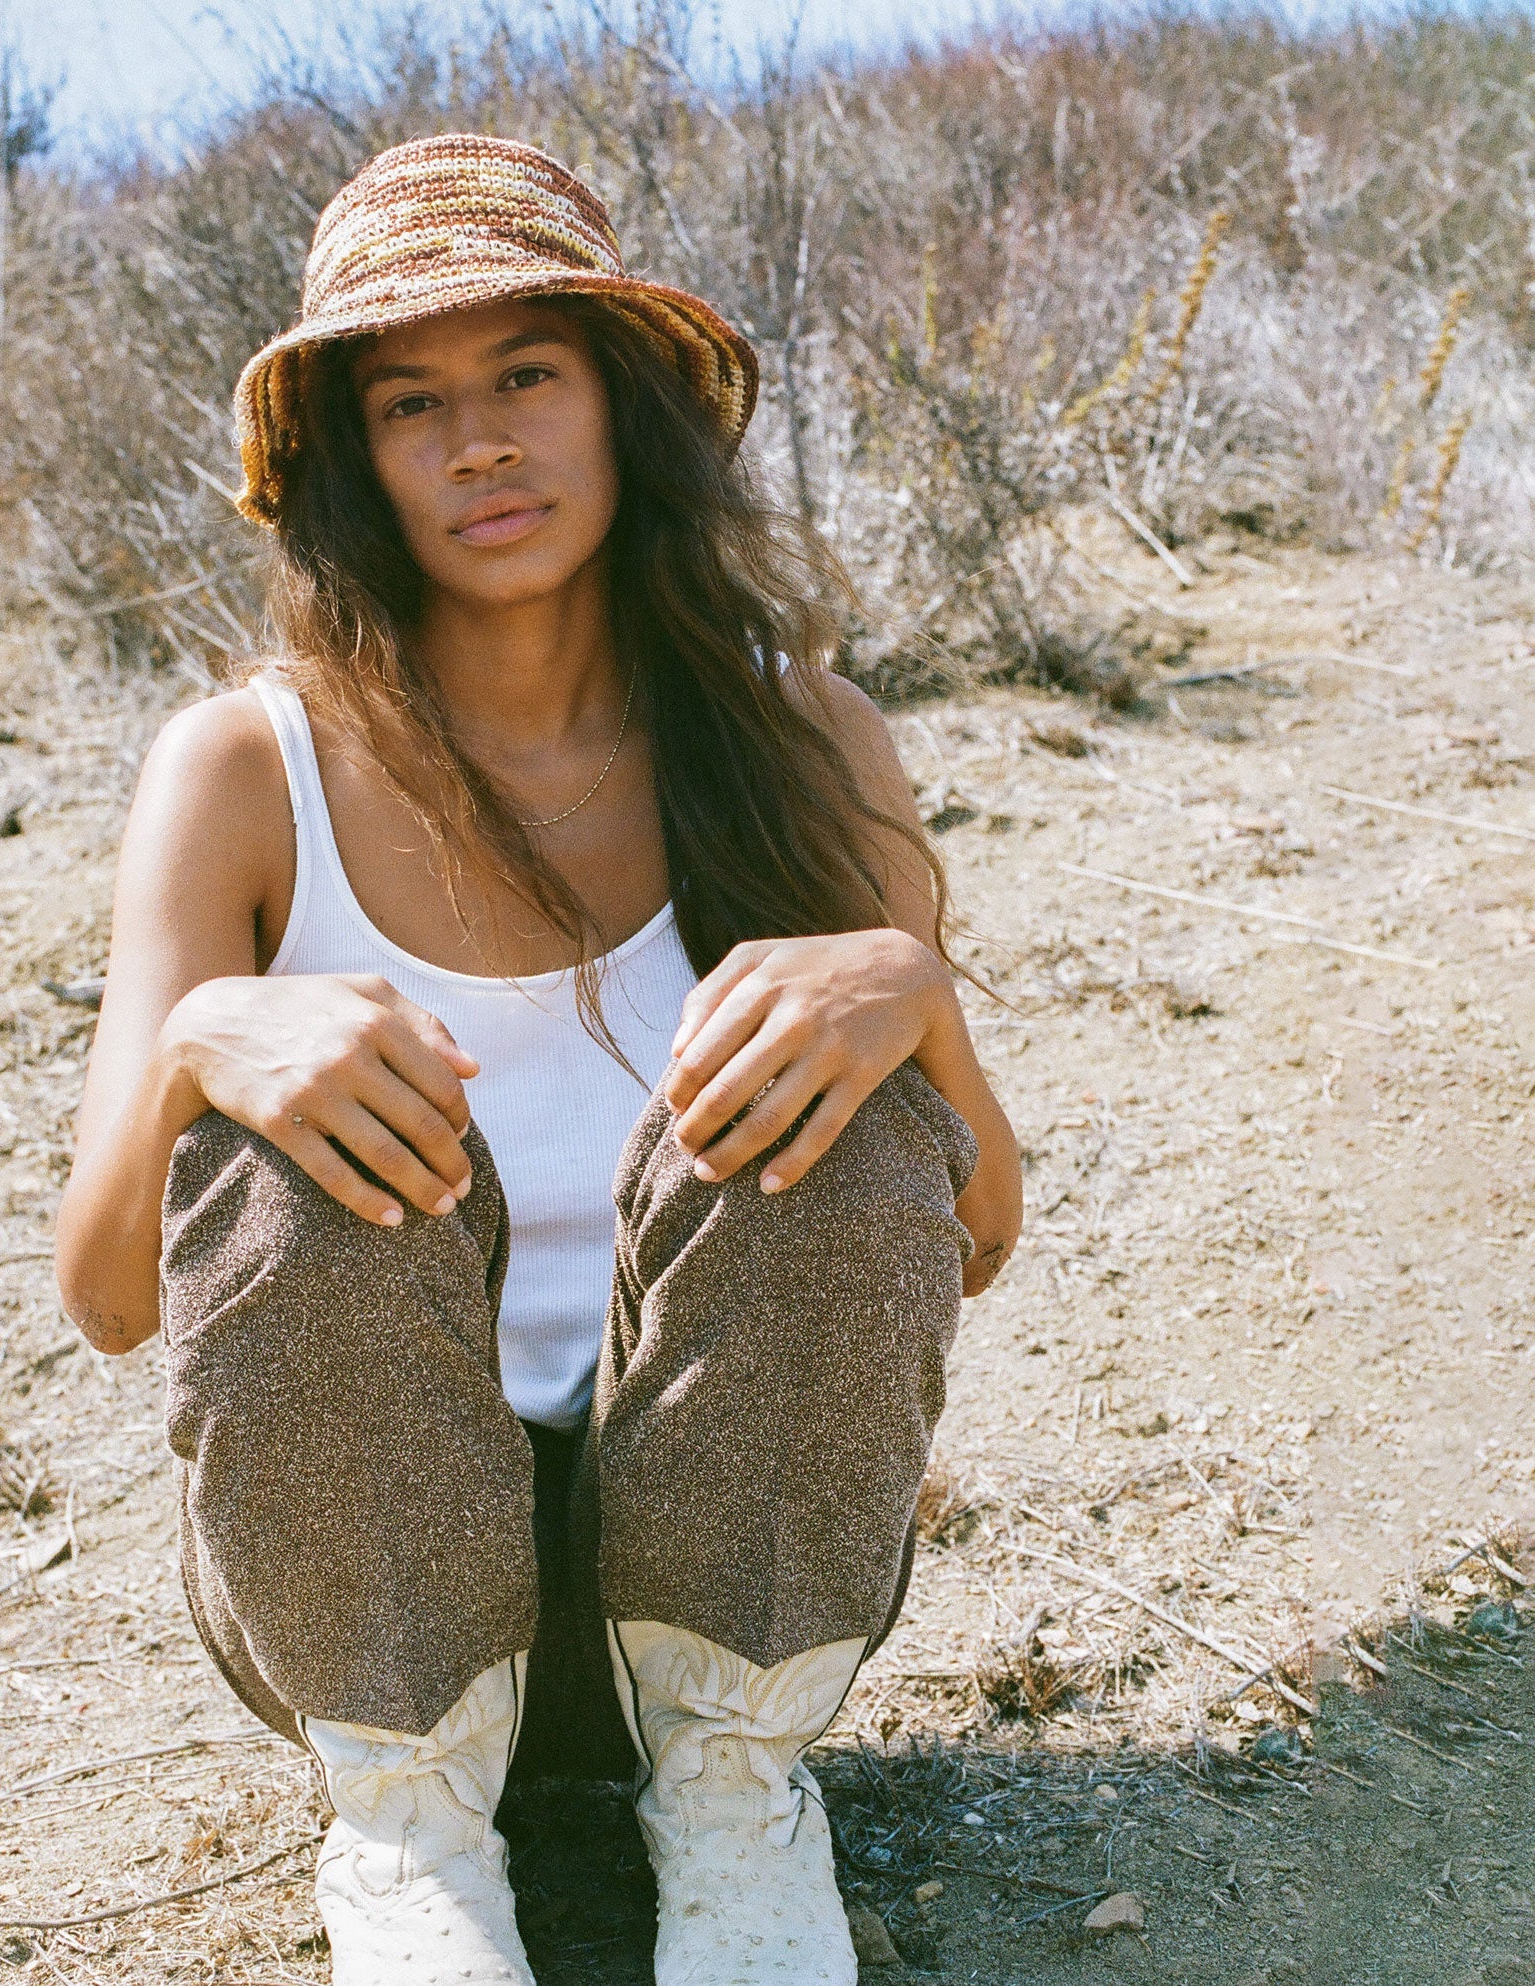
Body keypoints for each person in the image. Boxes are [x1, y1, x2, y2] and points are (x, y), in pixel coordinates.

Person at [55, 133, 1021, 1986]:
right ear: (349, 462)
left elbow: (969, 1231)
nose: (478, 443)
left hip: (731, 1601)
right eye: (411, 402)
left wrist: (911, 992)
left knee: (830, 1094)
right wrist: (197, 1045)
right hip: (374, 1617)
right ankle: (414, 1845)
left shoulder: (802, 737)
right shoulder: (242, 768)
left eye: (525, 376)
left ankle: (734, 1819)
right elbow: (107, 1298)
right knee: (282, 1140)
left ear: (624, 403)